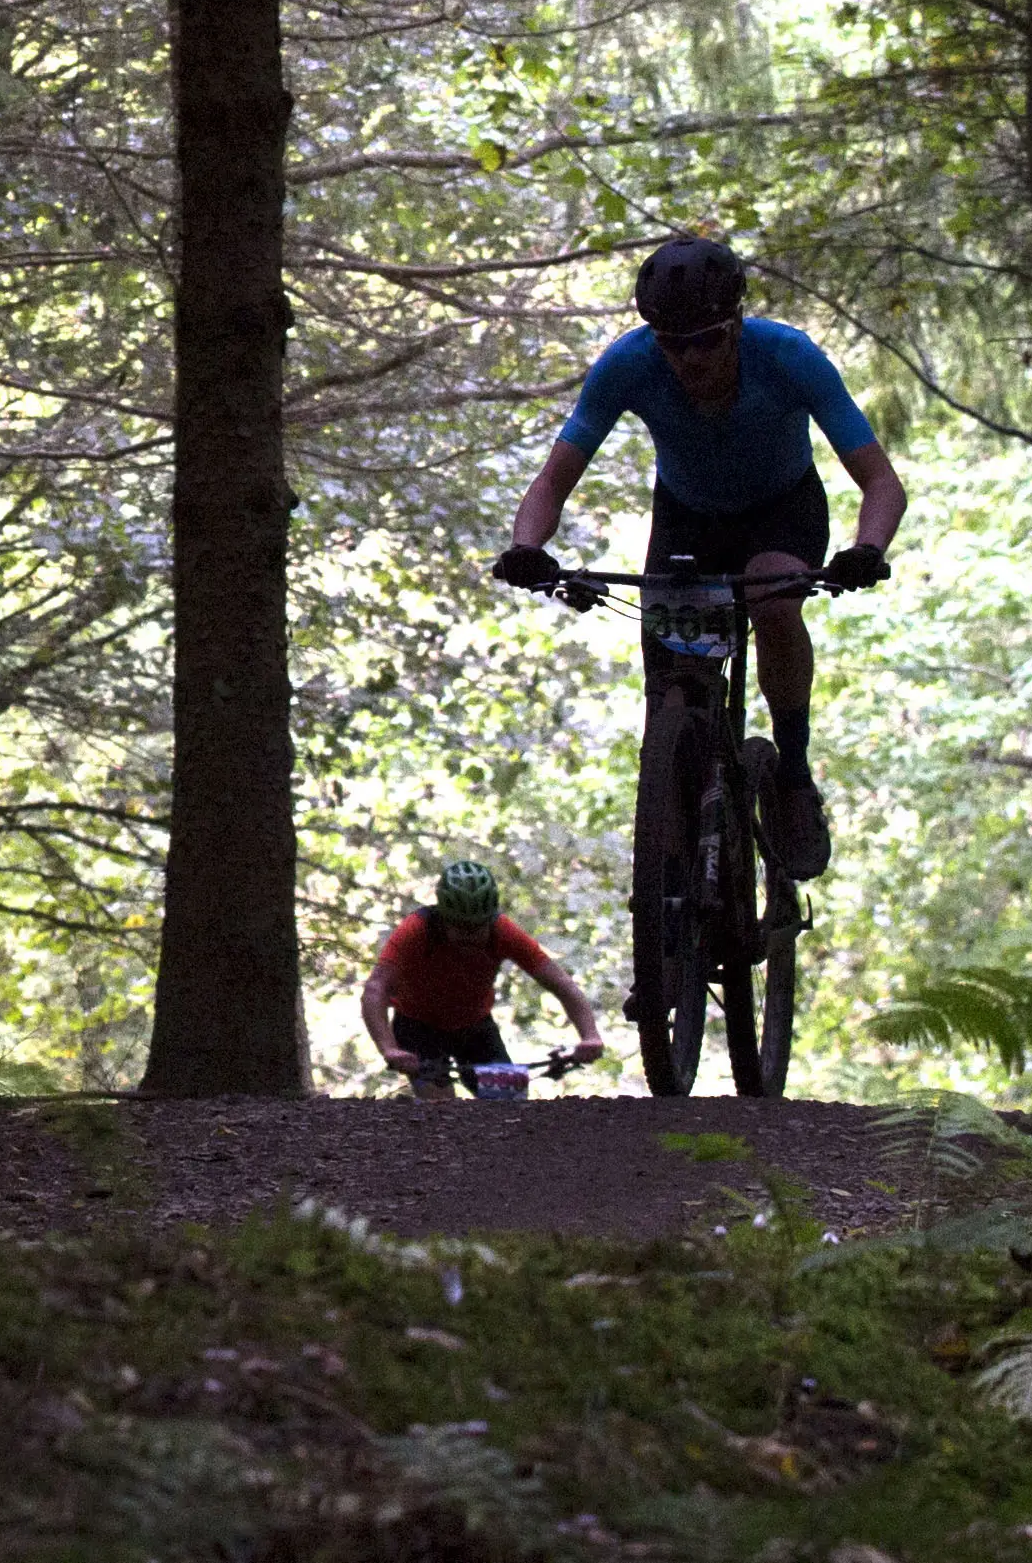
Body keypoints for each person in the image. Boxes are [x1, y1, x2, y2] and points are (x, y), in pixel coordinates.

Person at [490, 233, 903, 880]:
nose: (689, 358)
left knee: (772, 598)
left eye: (706, 339)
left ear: (736, 326)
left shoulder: (789, 356)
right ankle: (666, 895)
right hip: (688, 516)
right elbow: (551, 481)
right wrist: (526, 548)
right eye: (672, 343)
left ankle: (792, 776)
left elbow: (881, 482)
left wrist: (867, 549)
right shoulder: (628, 364)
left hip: (781, 508)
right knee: (671, 690)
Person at [363, 858, 605, 1092]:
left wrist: (590, 1035)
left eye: (477, 927)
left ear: (489, 918)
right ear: (444, 918)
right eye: (460, 927)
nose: (469, 935)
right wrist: (389, 1048)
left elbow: (561, 984)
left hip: (474, 1028)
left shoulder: (503, 932)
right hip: (416, 1027)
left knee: (509, 1102)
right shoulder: (417, 930)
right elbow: (376, 988)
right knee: (440, 1111)